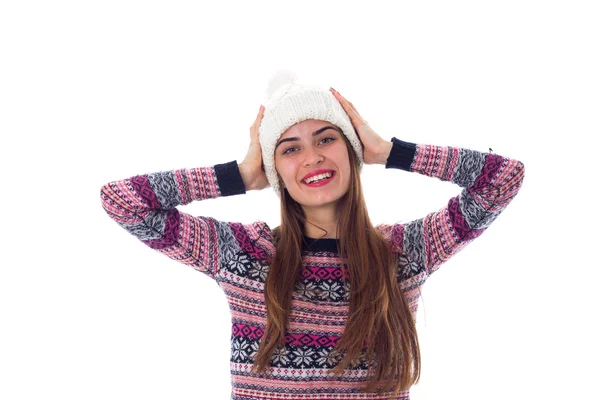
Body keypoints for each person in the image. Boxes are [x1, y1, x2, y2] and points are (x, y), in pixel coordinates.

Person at [100, 70, 526, 399]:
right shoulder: (243, 254)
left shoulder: (406, 252)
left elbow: (503, 179)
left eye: (326, 138)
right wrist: (240, 175)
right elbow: (121, 201)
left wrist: (389, 151)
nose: (312, 157)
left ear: (351, 149)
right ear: (276, 171)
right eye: (289, 148)